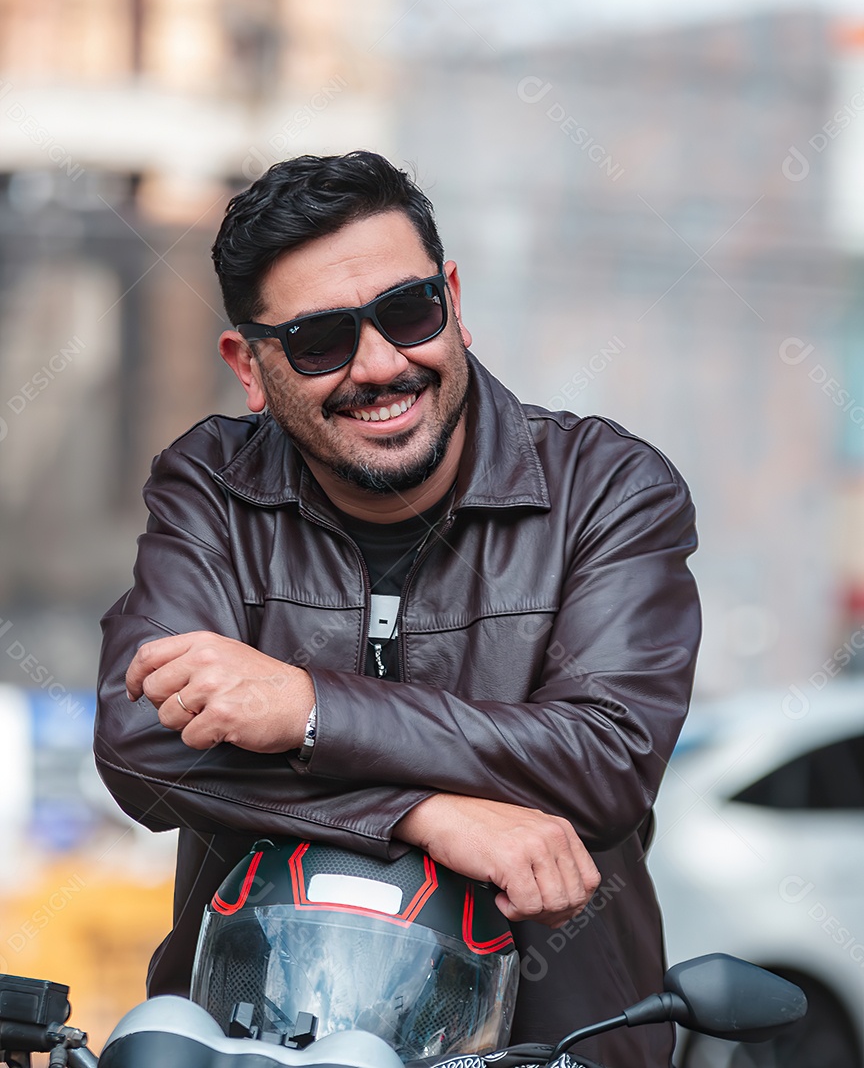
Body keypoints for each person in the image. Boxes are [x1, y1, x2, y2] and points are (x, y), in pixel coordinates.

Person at [95, 150, 701, 1067]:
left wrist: (308, 710)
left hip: (555, 1043)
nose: (381, 364)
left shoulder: (608, 489)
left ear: (453, 298)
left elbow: (603, 760)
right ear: (250, 368)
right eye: (320, 341)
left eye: (408, 311)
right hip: (241, 1040)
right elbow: (141, 746)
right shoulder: (213, 486)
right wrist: (424, 812)